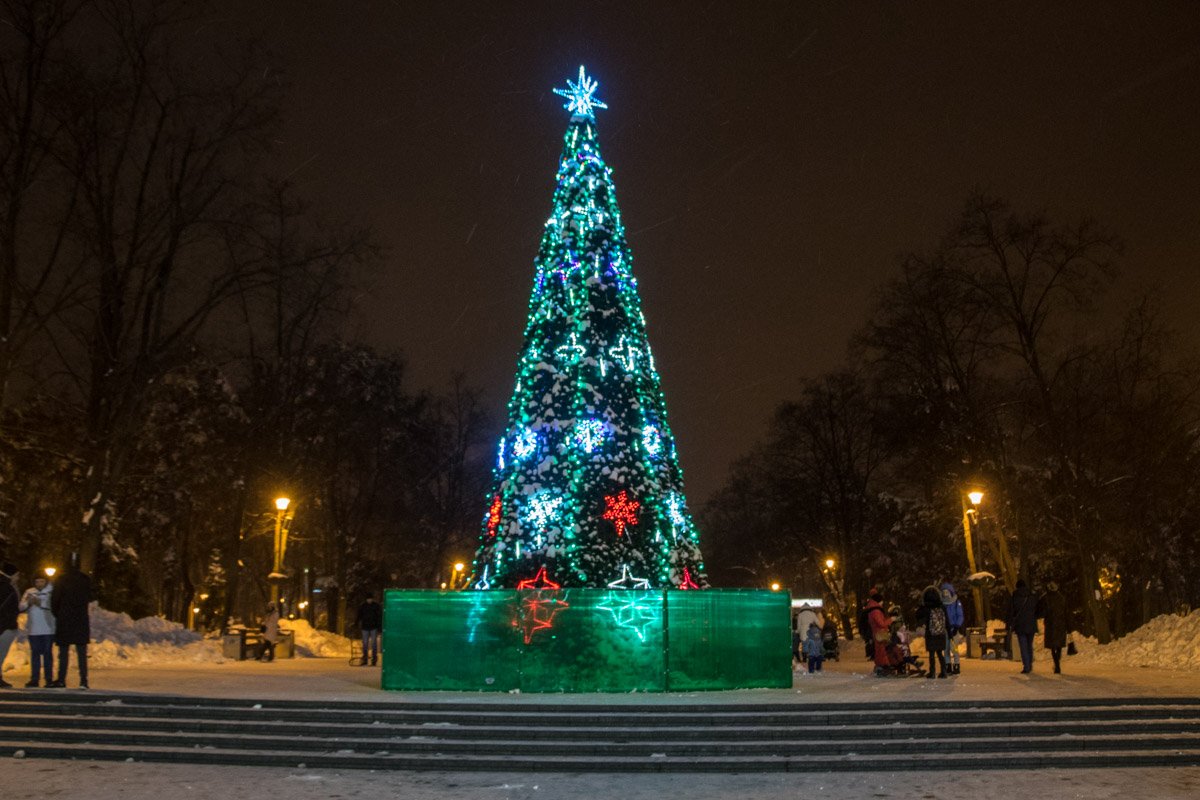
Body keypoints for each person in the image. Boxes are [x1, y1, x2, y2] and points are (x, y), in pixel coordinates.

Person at [48, 553, 91, 689]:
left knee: (64, 652)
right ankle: (83, 680)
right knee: (81, 653)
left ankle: (61, 679)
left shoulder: (61, 579)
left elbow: (55, 600)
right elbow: (90, 596)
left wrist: (59, 613)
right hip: (80, 619)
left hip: (65, 618)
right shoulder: (85, 579)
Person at [20, 573, 55, 687]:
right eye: (37, 582)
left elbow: (53, 605)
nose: (39, 584)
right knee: (35, 654)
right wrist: (28, 602)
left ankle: (49, 678)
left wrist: (40, 602)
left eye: (42, 581)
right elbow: (21, 606)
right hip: (33, 630)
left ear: (46, 581)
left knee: (47, 654)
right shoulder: (29, 591)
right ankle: (34, 678)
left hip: (48, 629)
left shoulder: (51, 591)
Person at [1007, 579, 1038, 674]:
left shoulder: (1015, 596)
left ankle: (1026, 666)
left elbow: (1011, 611)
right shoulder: (1031, 596)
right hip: (1031, 624)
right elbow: (1037, 609)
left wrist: (1009, 624)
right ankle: (1030, 663)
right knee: (1029, 645)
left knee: (1023, 646)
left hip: (1020, 625)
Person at [918, 586, 949, 679]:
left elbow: (919, 616)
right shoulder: (942, 607)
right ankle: (944, 671)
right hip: (941, 633)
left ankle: (932, 672)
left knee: (931, 654)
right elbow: (947, 620)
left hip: (931, 634)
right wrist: (950, 634)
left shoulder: (927, 608)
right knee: (940, 653)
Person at [1038, 581, 1068, 674]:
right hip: (1060, 624)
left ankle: (1057, 665)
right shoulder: (1061, 598)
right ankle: (1057, 664)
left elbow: (1041, 610)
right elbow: (1066, 611)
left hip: (1050, 624)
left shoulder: (1045, 598)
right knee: (1058, 646)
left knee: (1052, 647)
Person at [0, 562, 19, 688]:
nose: (18, 578)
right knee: (1, 653)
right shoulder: (8, 588)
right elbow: (12, 609)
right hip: (5, 627)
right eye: (17, 575)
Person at [864, 589, 892, 674]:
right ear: (878, 601)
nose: (882, 603)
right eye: (882, 601)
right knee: (881, 650)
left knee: (880, 650)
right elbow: (881, 623)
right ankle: (884, 666)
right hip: (879, 633)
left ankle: (881, 666)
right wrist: (891, 620)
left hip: (878, 633)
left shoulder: (873, 609)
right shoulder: (876, 611)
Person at [940, 581, 964, 674]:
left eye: (947, 592)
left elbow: (960, 615)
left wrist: (957, 626)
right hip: (944, 629)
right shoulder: (942, 604)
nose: (945, 594)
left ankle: (956, 665)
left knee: (954, 649)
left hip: (953, 628)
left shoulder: (956, 602)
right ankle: (948, 665)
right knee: (945, 649)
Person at [355, 593, 383, 666]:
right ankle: (365, 658)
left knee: (373, 644)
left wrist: (379, 627)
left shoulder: (376, 606)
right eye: (368, 599)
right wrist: (356, 623)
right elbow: (359, 615)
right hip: (365, 627)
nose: (369, 600)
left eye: (370, 599)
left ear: (372, 599)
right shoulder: (363, 606)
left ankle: (374, 659)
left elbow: (379, 617)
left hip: (373, 627)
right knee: (365, 644)